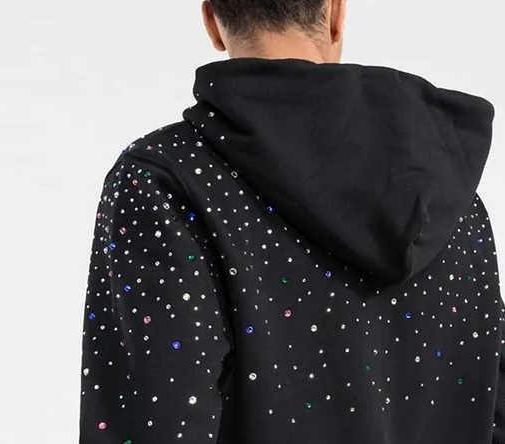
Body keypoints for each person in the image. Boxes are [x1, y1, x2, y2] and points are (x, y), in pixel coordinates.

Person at [79, 1, 502, 443]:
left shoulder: (167, 181)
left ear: (212, 22)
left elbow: (154, 423)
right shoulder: (451, 202)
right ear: (335, 14)